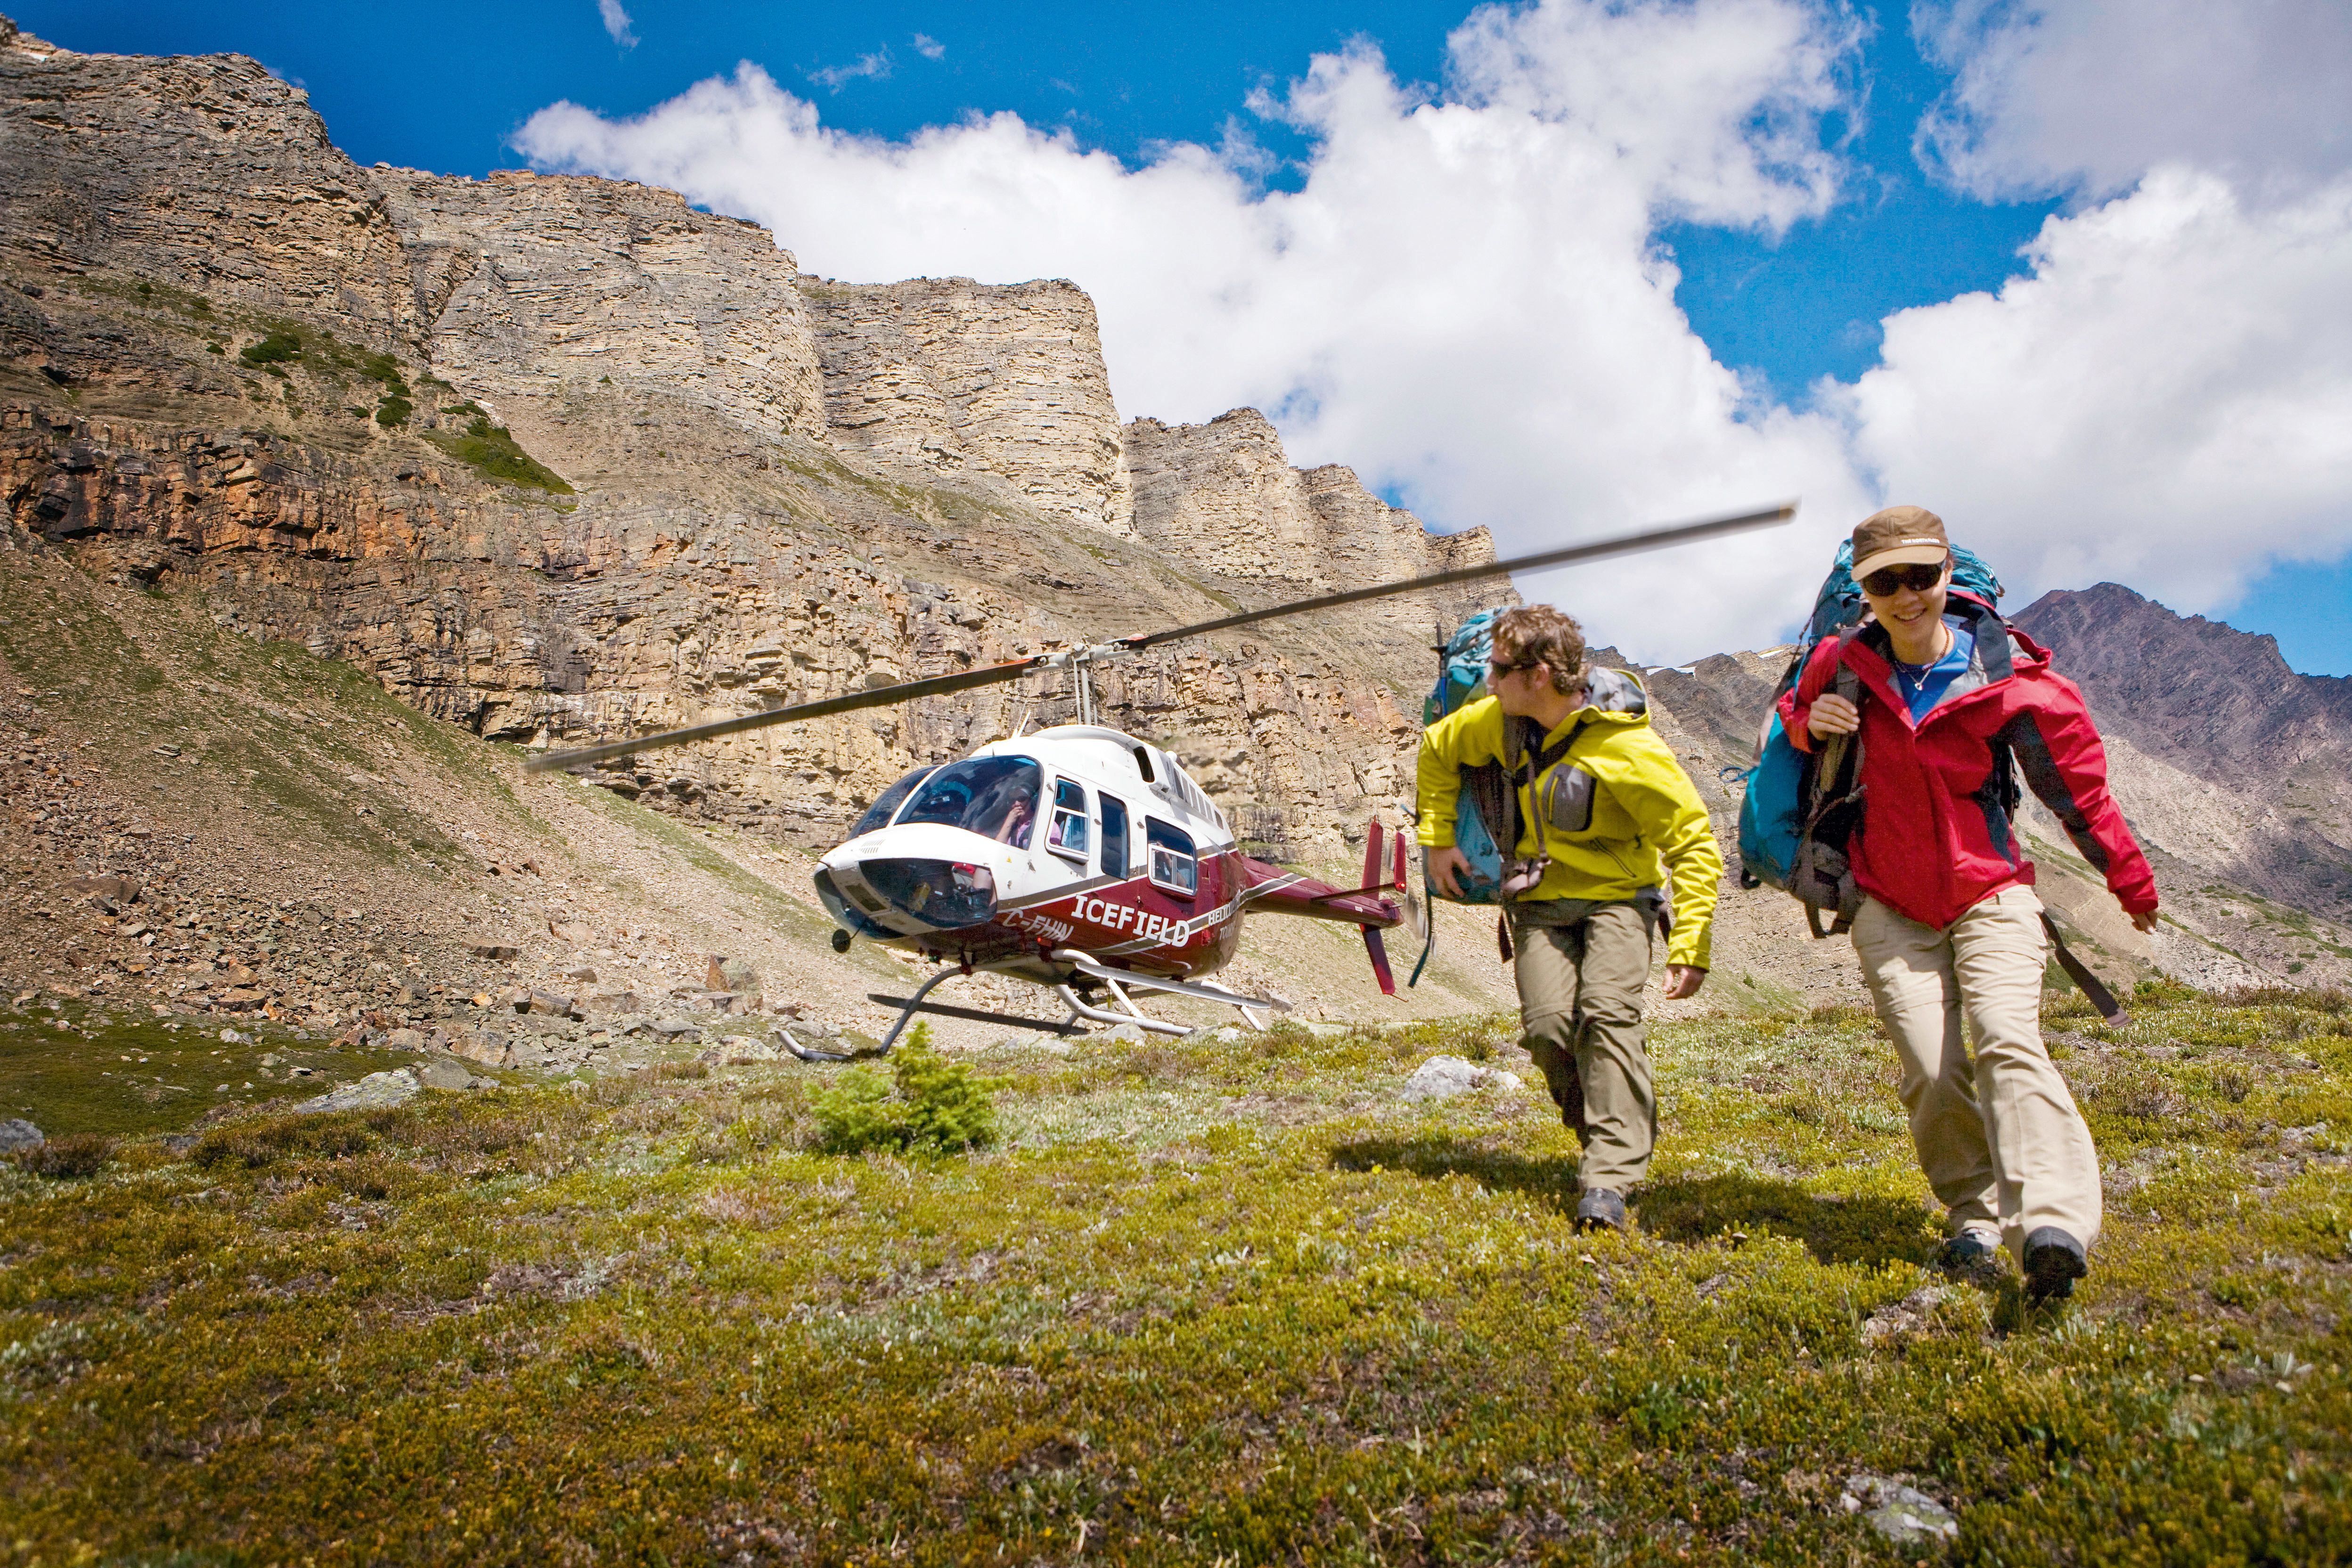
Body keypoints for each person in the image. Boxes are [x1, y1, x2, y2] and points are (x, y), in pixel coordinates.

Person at [1780, 506, 2159, 1302]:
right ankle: (1973, 1218)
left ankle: (2052, 1225)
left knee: (2006, 1038)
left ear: (1948, 575)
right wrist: (1810, 721)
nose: (1908, 595)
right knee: (1931, 1066)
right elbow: (1791, 722)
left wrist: (2130, 881)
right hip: (1887, 902)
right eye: (1888, 582)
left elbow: (2081, 795)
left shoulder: (2017, 683)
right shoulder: (1840, 664)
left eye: (1922, 576)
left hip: (1992, 893)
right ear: (1865, 591)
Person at [1418, 605, 1722, 1233]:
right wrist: (1438, 838)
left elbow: (1694, 843)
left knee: (1607, 1017)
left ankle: (1609, 1180)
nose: (1487, 679)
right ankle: (1614, 1126)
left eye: (1499, 669)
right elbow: (1437, 748)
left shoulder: (1629, 748)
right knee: (1551, 1029)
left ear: (1539, 677)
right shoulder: (1498, 722)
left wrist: (1689, 942)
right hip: (1536, 904)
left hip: (1619, 901)